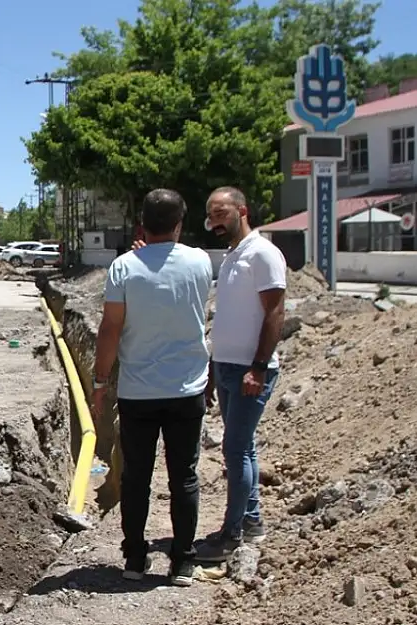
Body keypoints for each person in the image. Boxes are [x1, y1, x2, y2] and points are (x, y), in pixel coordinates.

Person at [90, 188, 213, 587]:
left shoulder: (124, 267)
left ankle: (136, 558)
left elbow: (111, 329)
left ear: (141, 223)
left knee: (137, 477)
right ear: (180, 223)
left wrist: (99, 380)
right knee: (185, 477)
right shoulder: (200, 261)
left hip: (139, 392)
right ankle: (182, 562)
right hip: (187, 389)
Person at [191, 186, 286, 563]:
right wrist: (214, 369)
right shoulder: (233, 256)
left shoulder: (262, 254)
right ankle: (251, 523)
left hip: (251, 371)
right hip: (228, 368)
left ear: (242, 210)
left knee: (234, 450)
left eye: (221, 213)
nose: (215, 221)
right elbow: (230, 317)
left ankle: (230, 535)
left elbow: (275, 313)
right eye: (211, 215)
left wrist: (258, 367)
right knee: (243, 448)